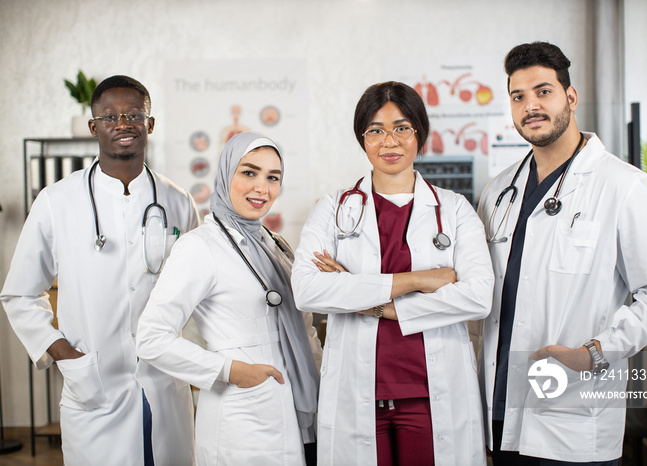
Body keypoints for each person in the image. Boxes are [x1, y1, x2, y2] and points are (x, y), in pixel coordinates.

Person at [476, 42, 647, 465]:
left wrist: (592, 354)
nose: (530, 106)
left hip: (571, 414)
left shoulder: (624, 186)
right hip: (498, 411)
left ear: (570, 97)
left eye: (543, 91)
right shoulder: (498, 192)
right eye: (518, 96)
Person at [291, 81, 494, 466]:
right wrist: (419, 280)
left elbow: (478, 296)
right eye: (376, 130)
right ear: (362, 139)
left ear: (420, 134)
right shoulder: (333, 209)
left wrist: (364, 299)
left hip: (431, 395)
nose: (390, 141)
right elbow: (307, 289)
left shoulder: (454, 208)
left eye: (402, 128)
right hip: (358, 392)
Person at [1, 75, 199, 465]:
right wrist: (62, 353)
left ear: (150, 124)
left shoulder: (177, 201)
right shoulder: (57, 201)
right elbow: (20, 293)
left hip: (163, 379)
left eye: (134, 115)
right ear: (93, 127)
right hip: (94, 381)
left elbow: (200, 288)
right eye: (110, 116)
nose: (123, 124)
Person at [136, 131, 322, 466]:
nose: (261, 188)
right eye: (249, 172)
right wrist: (230, 370)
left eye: (273, 177)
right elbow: (151, 338)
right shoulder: (199, 247)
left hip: (302, 411)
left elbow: (304, 328)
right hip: (244, 416)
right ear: (226, 174)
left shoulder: (276, 245)